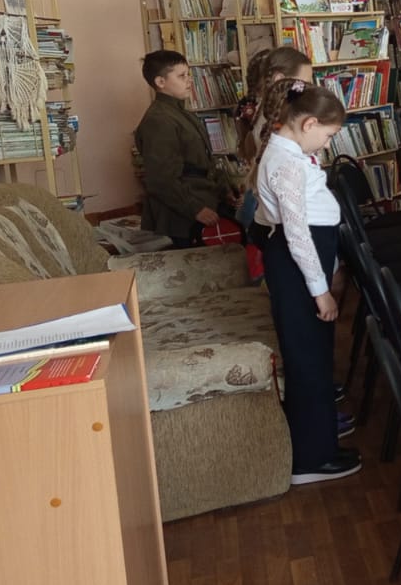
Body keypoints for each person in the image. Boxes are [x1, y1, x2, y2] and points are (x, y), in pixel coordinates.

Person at [251, 78, 360, 485]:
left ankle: (320, 445)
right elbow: (296, 233)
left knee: (314, 356)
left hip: (302, 260)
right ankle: (310, 460)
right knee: (308, 361)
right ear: (309, 123)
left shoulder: (289, 152)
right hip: (299, 268)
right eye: (328, 136)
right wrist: (322, 292)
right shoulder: (285, 161)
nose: (327, 145)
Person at [134, 50, 234, 246]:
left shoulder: (184, 114)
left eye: (188, 74)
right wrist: (195, 209)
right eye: (181, 76)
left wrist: (226, 189)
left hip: (203, 200)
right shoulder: (158, 120)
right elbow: (160, 179)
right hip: (181, 217)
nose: (189, 81)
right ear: (160, 82)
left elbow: (206, 161)